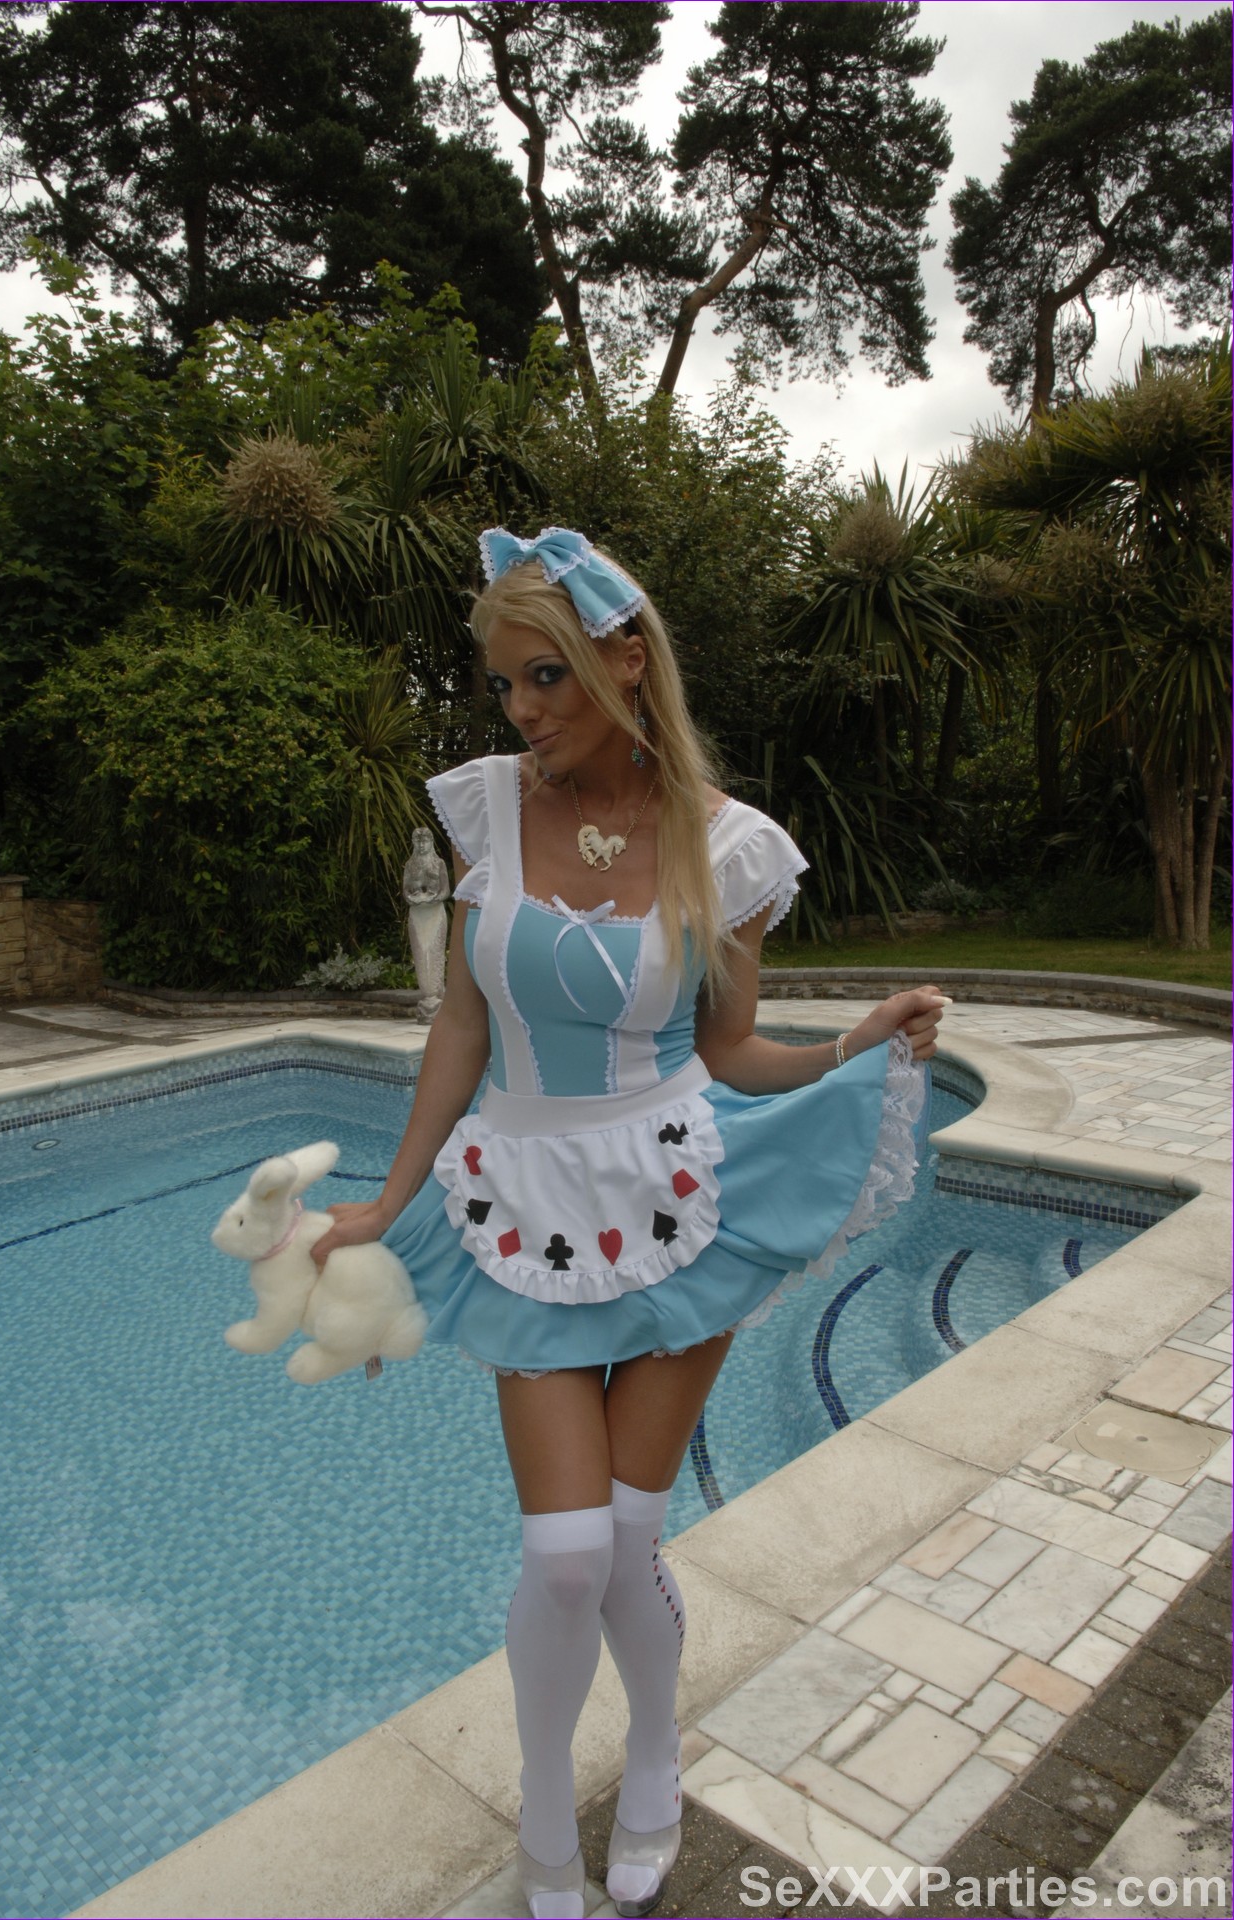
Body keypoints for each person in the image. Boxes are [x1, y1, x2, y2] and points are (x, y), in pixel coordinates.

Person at [311, 527, 946, 1919]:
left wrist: (854, 1049)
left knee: (627, 1539)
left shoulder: (730, 845)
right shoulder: (485, 810)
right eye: (503, 684)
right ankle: (546, 1817)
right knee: (563, 1556)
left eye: (545, 676)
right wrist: (390, 1200)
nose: (522, 710)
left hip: (678, 1193)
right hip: (515, 1200)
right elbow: (461, 1025)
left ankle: (653, 1757)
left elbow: (730, 1053)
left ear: (625, 658)